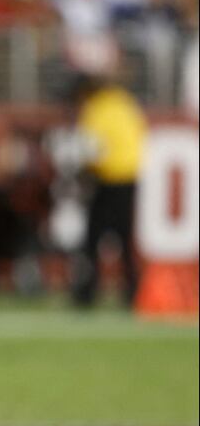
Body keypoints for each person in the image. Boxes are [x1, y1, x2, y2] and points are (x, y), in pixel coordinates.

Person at [71, 75, 147, 308]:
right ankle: (132, 292)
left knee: (92, 239)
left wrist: (83, 170)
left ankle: (86, 293)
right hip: (130, 177)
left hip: (106, 178)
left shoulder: (96, 109)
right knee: (125, 239)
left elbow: (91, 147)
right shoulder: (126, 103)